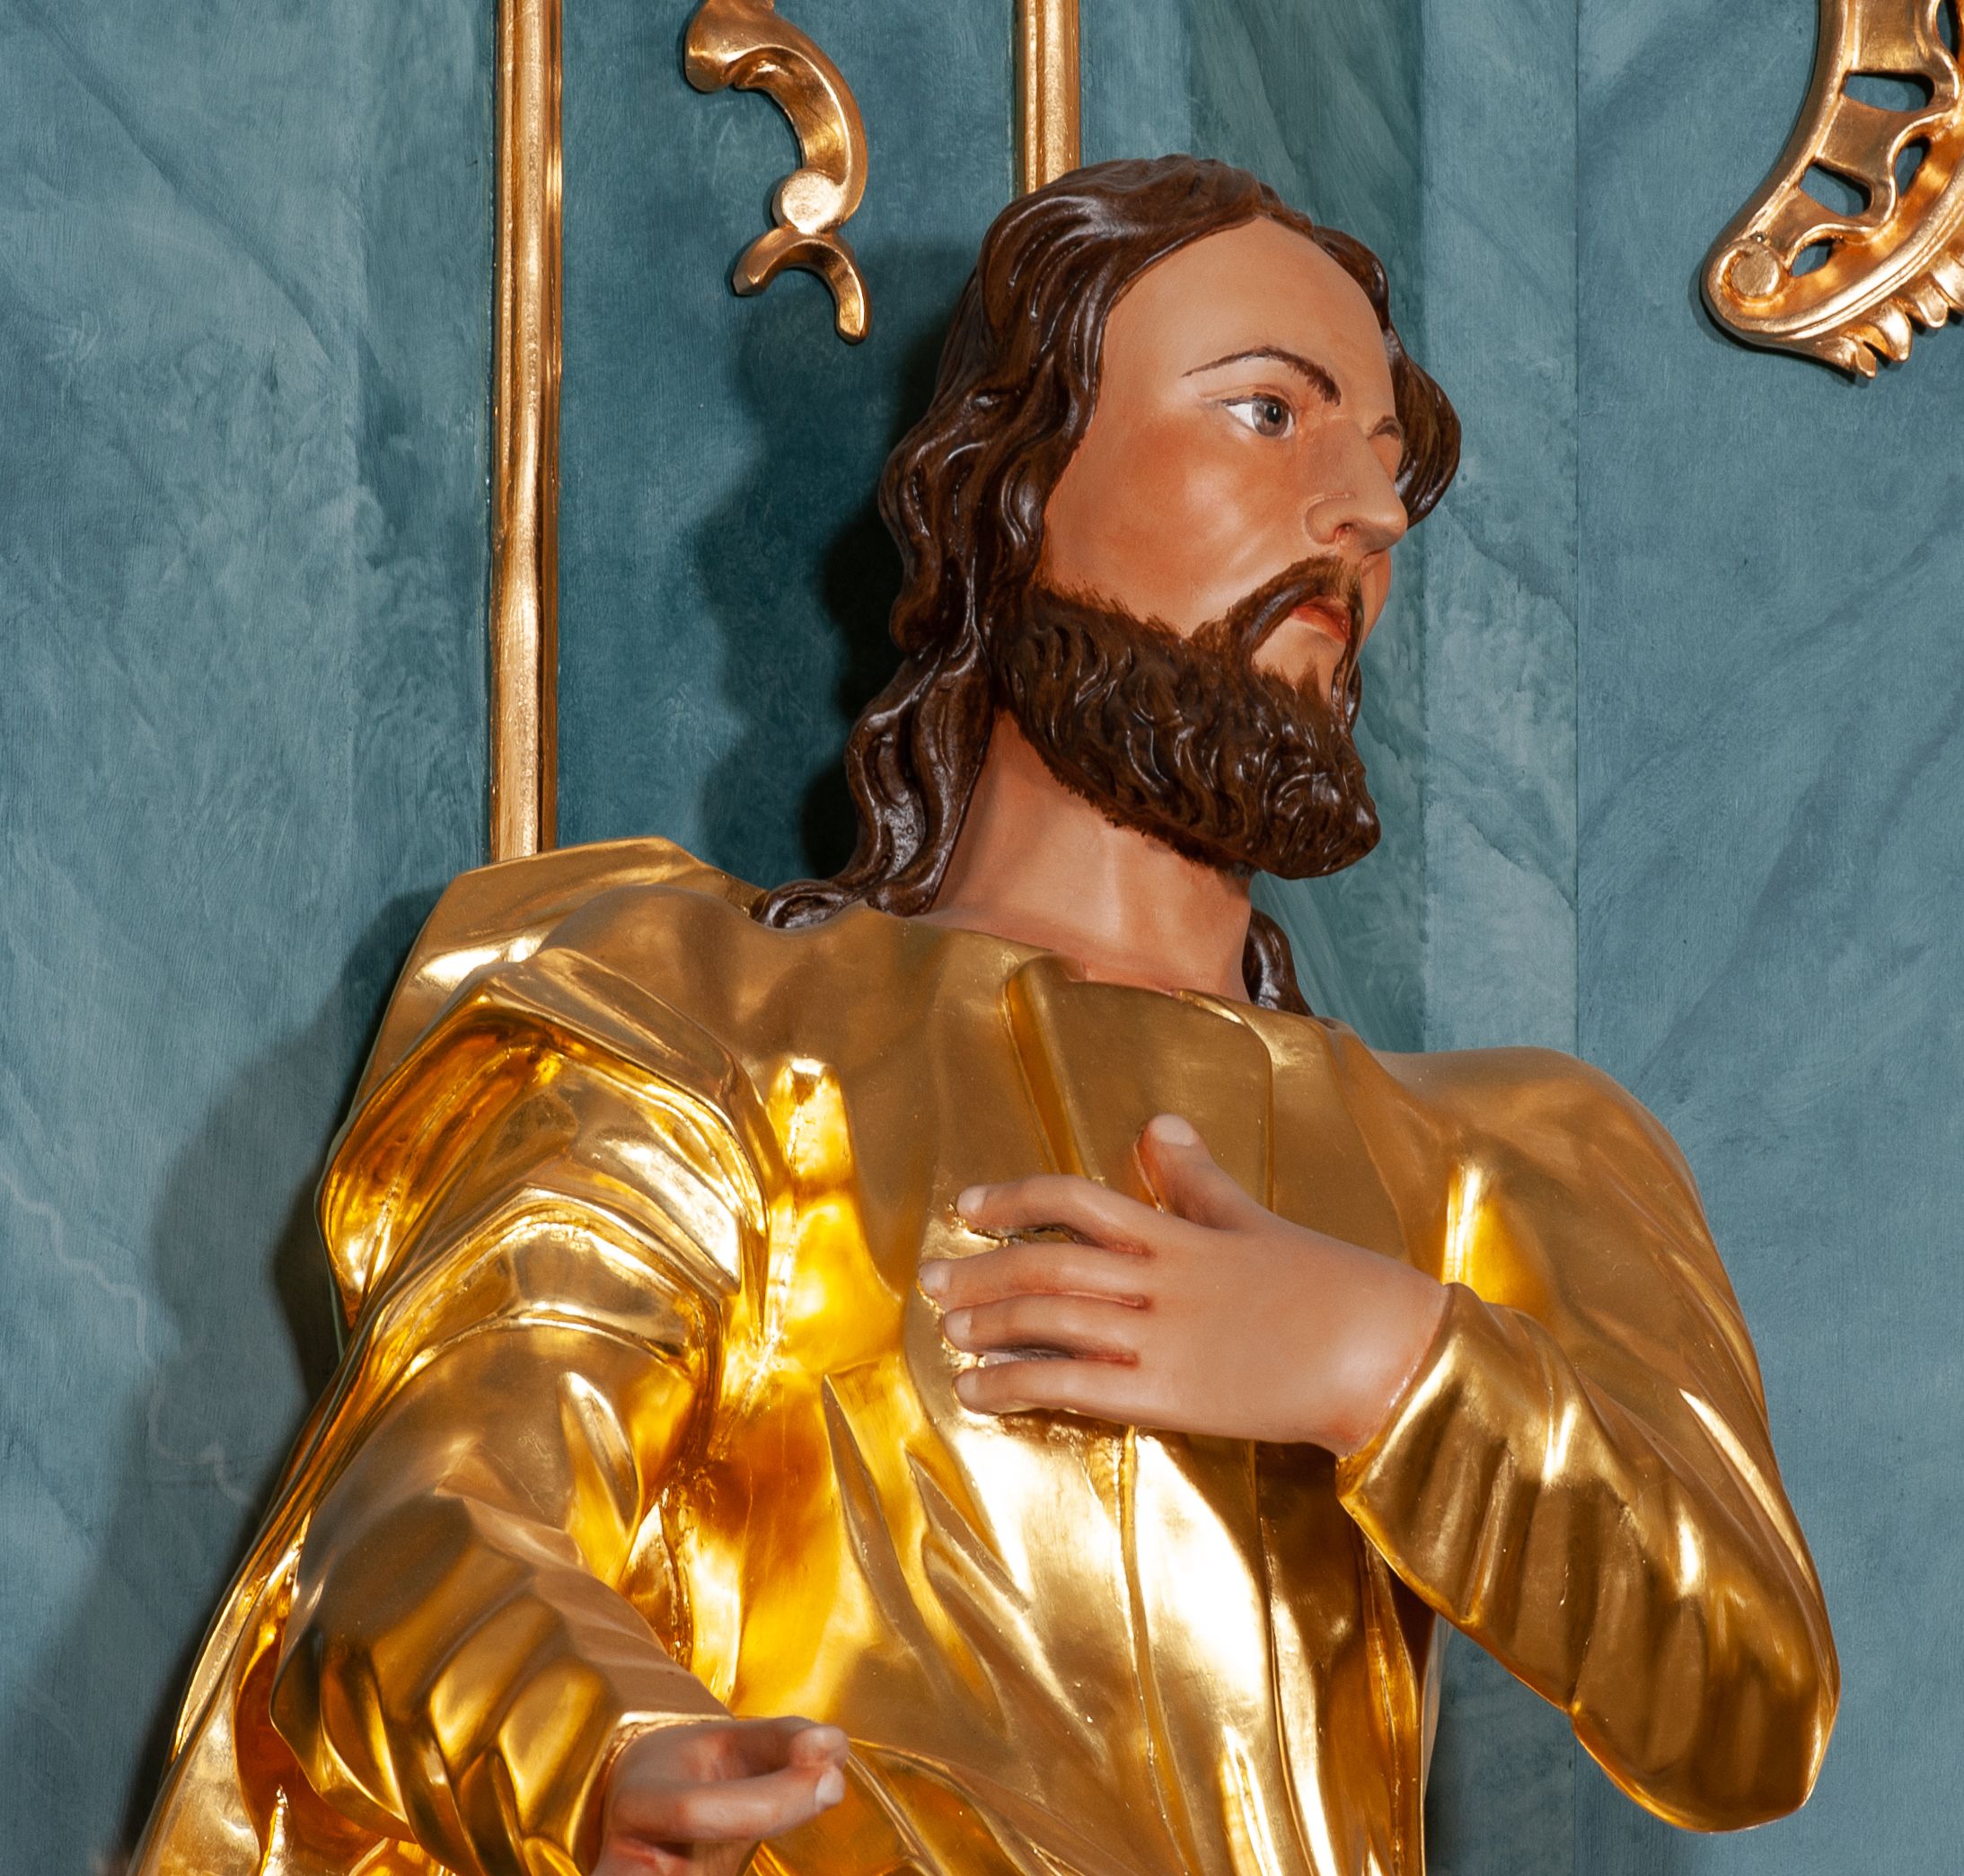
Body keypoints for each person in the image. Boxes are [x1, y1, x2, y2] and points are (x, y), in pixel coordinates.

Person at [133, 157, 1836, 1876]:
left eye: (1387, 464)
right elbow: (431, 1519)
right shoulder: (709, 1012)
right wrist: (609, 1752)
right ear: (1015, 483)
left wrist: (1385, 1364)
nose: (1367, 518)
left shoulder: (1505, 1150)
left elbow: (1749, 1699)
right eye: (1268, 414)